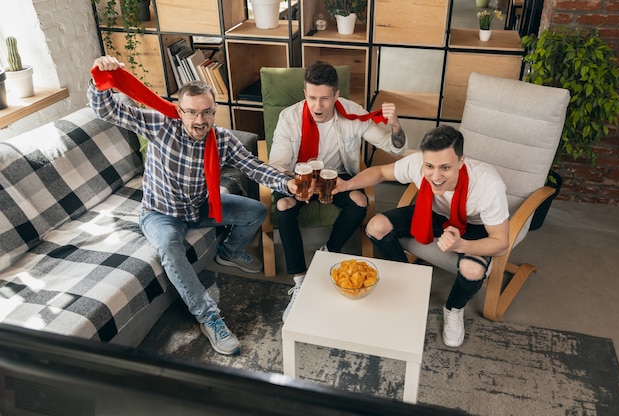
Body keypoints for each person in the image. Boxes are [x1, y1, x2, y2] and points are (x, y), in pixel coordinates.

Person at [88, 55, 298, 355]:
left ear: (214, 111)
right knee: (171, 250)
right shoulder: (159, 125)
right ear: (180, 110)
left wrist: (286, 183)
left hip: (200, 207)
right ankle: (209, 317)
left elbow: (253, 167)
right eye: (192, 113)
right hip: (160, 214)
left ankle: (229, 252)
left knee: (256, 211)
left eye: (207, 112)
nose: (200, 121)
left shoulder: (222, 139)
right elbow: (107, 110)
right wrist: (100, 77)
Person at [332, 125, 509, 347]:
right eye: (430, 166)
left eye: (445, 167)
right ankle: (408, 280)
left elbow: (501, 243)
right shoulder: (417, 163)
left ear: (461, 161)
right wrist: (347, 185)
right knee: (376, 226)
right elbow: (379, 172)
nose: (435, 176)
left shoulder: (488, 185)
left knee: (472, 270)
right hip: (432, 213)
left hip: (474, 225)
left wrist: (461, 244)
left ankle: (453, 308)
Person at [269, 61, 408, 322]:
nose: (317, 106)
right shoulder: (289, 117)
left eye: (324, 98)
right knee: (283, 207)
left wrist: (396, 126)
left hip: (336, 176)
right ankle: (299, 280)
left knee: (359, 200)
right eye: (311, 98)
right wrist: (295, 180)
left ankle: (329, 251)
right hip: (297, 175)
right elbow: (277, 164)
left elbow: (395, 147)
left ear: (336, 95)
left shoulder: (353, 114)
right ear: (305, 93)